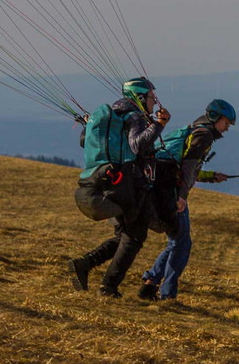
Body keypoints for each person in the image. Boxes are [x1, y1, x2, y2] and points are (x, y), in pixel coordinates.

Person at [69, 77, 170, 297]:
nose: (155, 103)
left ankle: (85, 265)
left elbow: (84, 141)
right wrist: (159, 125)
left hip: (110, 180)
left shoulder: (114, 113)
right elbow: (138, 144)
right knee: (134, 237)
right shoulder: (135, 115)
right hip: (128, 184)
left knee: (124, 236)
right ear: (140, 97)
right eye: (152, 98)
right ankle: (108, 287)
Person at [138, 99, 235, 301]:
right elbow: (188, 168)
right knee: (181, 243)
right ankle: (167, 294)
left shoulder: (195, 130)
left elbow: (184, 166)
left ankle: (150, 284)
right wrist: (181, 197)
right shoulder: (204, 135)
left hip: (169, 188)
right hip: (174, 193)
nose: (226, 129)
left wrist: (210, 176)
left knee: (178, 241)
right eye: (226, 123)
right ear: (215, 118)